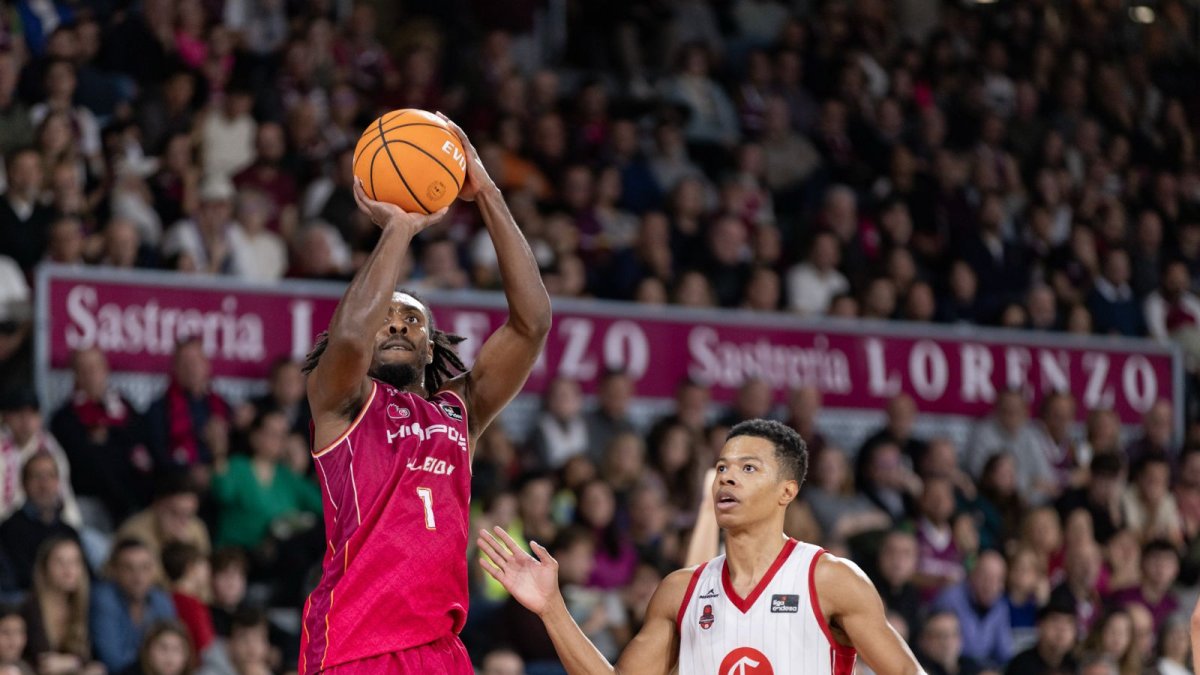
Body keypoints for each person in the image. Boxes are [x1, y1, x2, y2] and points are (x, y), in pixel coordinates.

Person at [297, 114, 550, 674]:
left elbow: (532, 323)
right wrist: (399, 228)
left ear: (432, 346)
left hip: (441, 648)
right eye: (386, 317)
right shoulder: (339, 401)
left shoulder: (460, 410)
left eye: (412, 320)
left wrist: (486, 191)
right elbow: (349, 337)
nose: (395, 324)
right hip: (356, 644)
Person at [478, 419, 923, 674]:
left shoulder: (830, 579)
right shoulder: (680, 590)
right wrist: (552, 607)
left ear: (787, 491)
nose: (727, 478)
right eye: (722, 467)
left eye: (748, 468)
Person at [90, 539, 178, 673]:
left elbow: (175, 649)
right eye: (128, 568)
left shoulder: (161, 600)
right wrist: (155, 660)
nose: (138, 577)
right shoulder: (104, 598)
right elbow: (113, 661)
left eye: (145, 568)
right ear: (114, 570)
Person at [22, 537, 104, 675]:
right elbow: (44, 662)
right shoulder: (31, 606)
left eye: (74, 562)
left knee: (97, 670)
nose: (68, 569)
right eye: (60, 562)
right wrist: (74, 662)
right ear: (44, 567)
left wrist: (72, 662)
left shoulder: (85, 604)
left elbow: (91, 655)